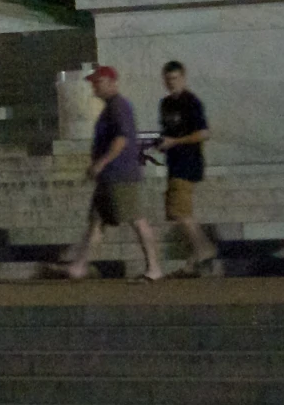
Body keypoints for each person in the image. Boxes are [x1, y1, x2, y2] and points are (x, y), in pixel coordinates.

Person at [62, 65, 164, 281]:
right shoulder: (110, 108)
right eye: (93, 83)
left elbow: (122, 139)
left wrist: (101, 163)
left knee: (137, 219)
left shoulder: (119, 106)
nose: (94, 88)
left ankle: (154, 268)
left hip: (121, 175)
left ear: (111, 83)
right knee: (96, 222)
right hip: (108, 178)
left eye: (98, 83)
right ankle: (79, 266)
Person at [156, 61, 220, 276]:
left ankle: (204, 250)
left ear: (183, 78)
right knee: (179, 213)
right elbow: (167, 132)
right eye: (168, 79)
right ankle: (195, 259)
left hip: (188, 161)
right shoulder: (165, 104)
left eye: (174, 78)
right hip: (174, 162)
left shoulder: (191, 102)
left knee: (181, 212)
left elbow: (204, 133)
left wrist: (175, 142)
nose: (171, 83)